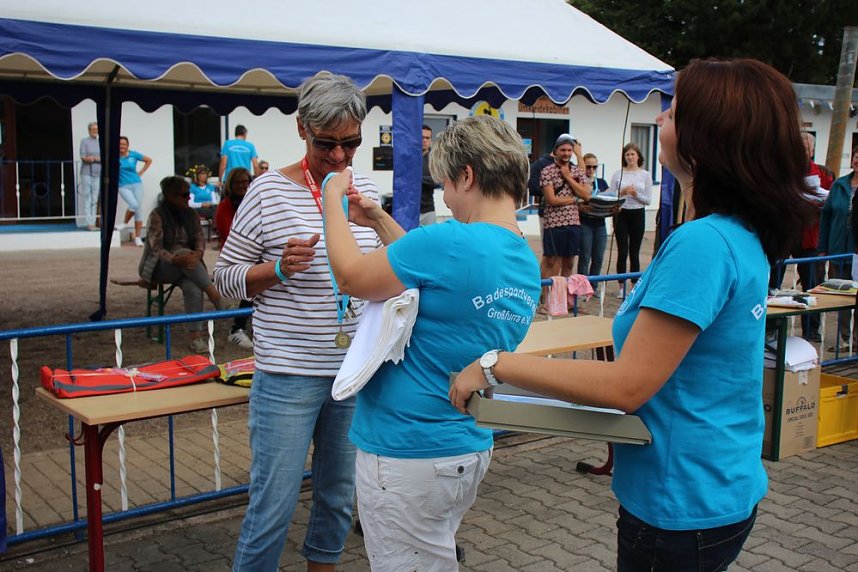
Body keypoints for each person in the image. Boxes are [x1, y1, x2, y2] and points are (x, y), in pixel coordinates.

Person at [450, 58, 815, 571]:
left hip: (681, 500)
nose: (661, 119)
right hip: (714, 485)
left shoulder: (703, 244)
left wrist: (495, 364)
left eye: (673, 111)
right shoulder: (734, 231)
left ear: (707, 136)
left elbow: (626, 385)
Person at [322, 114, 540, 570]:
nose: (444, 195)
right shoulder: (522, 255)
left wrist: (331, 200)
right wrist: (379, 218)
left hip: (406, 449)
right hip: (464, 445)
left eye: (446, 183)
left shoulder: (450, 240)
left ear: (468, 175)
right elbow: (431, 279)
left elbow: (352, 276)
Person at [214, 71, 380, 571]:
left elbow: (383, 271)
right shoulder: (266, 191)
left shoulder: (363, 188)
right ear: (301, 128)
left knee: (335, 499)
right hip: (287, 374)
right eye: (326, 143)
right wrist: (278, 269)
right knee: (273, 507)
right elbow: (223, 280)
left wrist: (375, 229)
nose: (338, 156)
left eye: (349, 143)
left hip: (351, 373)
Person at [139, 176, 227, 353]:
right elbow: (155, 248)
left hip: (189, 267)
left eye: (188, 194)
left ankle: (195, 337)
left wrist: (198, 253)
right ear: (169, 195)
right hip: (160, 266)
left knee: (193, 288)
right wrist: (176, 259)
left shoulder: (191, 214)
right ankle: (214, 294)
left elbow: (199, 239)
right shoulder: (157, 215)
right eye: (184, 195)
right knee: (182, 254)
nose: (188, 198)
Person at [538, 133, 591, 311]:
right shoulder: (547, 171)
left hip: (573, 222)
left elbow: (586, 195)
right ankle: (546, 300)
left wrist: (568, 177)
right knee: (551, 261)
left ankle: (566, 300)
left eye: (569, 150)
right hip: (553, 223)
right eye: (563, 150)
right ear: (556, 151)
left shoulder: (576, 172)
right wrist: (573, 199)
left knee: (569, 262)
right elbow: (551, 200)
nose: (567, 153)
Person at [821, 145, 858, 350]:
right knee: (843, 297)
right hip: (837, 250)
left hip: (856, 251)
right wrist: (822, 248)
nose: (857, 160)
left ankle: (856, 340)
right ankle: (846, 339)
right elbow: (825, 217)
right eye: (855, 156)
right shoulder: (839, 185)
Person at [214, 167, 254, 351]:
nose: (243, 186)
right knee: (255, 280)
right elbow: (229, 236)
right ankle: (237, 328)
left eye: (246, 182)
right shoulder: (225, 205)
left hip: (254, 252)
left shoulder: (252, 201)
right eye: (239, 182)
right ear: (231, 184)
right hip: (237, 255)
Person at [610, 142, 652, 297]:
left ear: (638, 156)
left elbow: (648, 200)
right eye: (627, 154)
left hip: (637, 213)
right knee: (622, 251)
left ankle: (635, 284)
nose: (630, 157)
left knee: (635, 251)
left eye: (633, 154)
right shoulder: (618, 173)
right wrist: (622, 192)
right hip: (621, 213)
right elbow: (610, 195)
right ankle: (621, 286)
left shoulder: (645, 175)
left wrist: (636, 194)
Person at [577, 153, 611, 287]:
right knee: (585, 257)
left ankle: (594, 287)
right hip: (585, 223)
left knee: (598, 258)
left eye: (594, 167)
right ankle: (581, 287)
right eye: (588, 166)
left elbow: (609, 199)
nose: (591, 169)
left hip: (600, 224)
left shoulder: (601, 182)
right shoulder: (579, 182)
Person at [117, 136, 152, 247]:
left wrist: (141, 172)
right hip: (123, 185)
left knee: (138, 210)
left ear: (127, 145)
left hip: (136, 184)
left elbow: (148, 160)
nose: (122, 146)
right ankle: (124, 223)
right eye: (120, 144)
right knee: (134, 204)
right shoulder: (114, 156)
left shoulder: (133, 154)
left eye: (124, 144)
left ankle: (137, 237)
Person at [77, 122, 100, 231]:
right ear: (89, 130)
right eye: (93, 129)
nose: (95, 131)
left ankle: (93, 222)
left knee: (95, 198)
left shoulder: (100, 141)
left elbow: (104, 157)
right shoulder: (84, 141)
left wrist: (94, 158)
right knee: (88, 197)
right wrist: (91, 158)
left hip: (98, 172)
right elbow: (83, 156)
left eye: (97, 129)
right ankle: (88, 223)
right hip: (86, 172)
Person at [419, 124, 437, 225]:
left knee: (431, 240)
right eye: (422, 137)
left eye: (427, 138)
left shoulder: (435, 159)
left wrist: (417, 179)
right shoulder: (409, 158)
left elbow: (437, 180)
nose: (424, 140)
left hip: (428, 209)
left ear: (430, 140)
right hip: (410, 210)